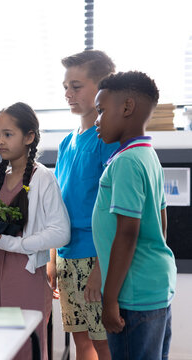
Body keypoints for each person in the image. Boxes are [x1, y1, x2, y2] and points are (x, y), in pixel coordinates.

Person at [92, 71, 177, 359]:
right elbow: (162, 218)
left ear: (127, 108)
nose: (96, 120)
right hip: (154, 285)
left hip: (133, 296)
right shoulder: (147, 154)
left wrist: (111, 299)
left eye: (101, 110)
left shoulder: (127, 162)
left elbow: (127, 234)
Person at [0, 102, 70, 360]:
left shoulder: (43, 178)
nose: (0, 141)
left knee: (26, 346)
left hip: (26, 271)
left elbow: (61, 232)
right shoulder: (0, 178)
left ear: (29, 137)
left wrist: (12, 244)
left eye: (8, 134)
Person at [48, 50, 118, 359]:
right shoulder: (66, 143)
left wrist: (102, 270)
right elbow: (57, 209)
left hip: (96, 258)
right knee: (80, 341)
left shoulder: (108, 141)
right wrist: (52, 258)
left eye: (76, 86)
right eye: (66, 86)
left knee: (104, 342)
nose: (68, 93)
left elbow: (116, 212)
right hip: (66, 258)